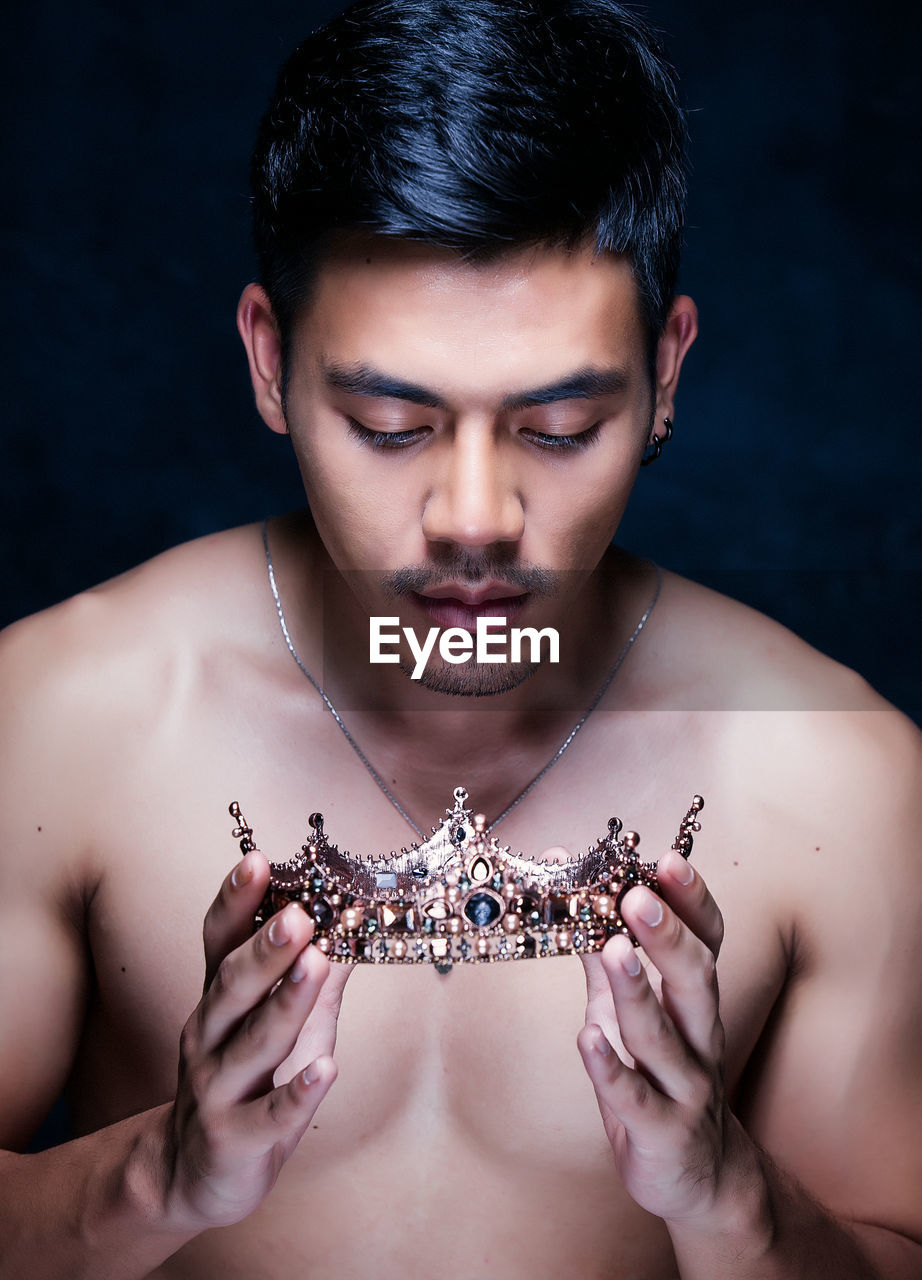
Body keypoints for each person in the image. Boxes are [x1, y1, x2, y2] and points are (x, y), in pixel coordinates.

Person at [1, 0, 919, 1276]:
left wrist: (731, 1199)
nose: (475, 522)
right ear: (270, 364)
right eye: (389, 423)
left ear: (665, 372)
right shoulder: (57, 715)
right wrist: (156, 1179)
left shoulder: (841, 776)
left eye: (556, 428)